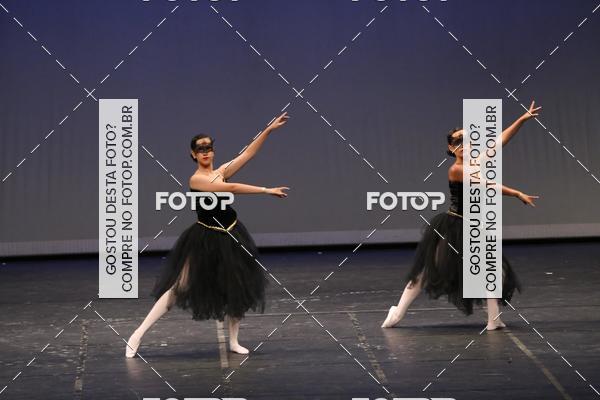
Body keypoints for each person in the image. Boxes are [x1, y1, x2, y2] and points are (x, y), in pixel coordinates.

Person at [126, 112, 290, 357]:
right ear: (193, 154)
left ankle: (233, 341)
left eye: (208, 148)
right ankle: (137, 335)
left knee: (236, 285)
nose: (205, 152)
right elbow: (230, 188)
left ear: (213, 151)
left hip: (232, 233)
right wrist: (266, 190)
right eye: (200, 149)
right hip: (206, 238)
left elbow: (248, 154)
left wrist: (268, 130)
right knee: (179, 286)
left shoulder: (220, 171)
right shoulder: (197, 180)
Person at [382, 102, 542, 330]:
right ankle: (397, 313)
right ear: (451, 147)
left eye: (467, 140)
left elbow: (501, 141)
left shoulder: (475, 162)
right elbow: (486, 184)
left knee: (491, 271)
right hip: (454, 227)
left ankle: (493, 320)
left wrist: (522, 119)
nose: (463, 144)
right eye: (458, 141)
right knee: (428, 271)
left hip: (472, 226)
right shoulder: (456, 170)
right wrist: (516, 193)